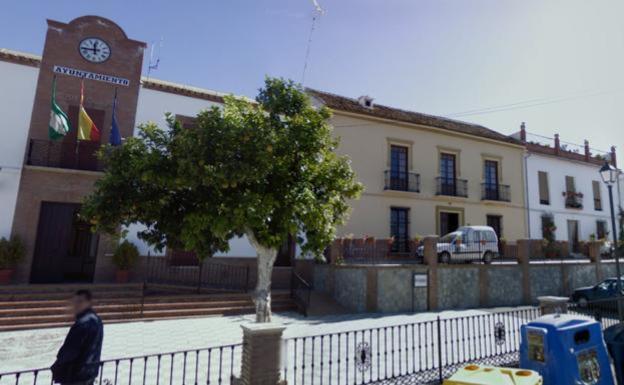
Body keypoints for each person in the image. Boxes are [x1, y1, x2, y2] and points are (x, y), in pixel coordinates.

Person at [51, 290, 104, 385]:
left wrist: (58, 365)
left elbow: (69, 351)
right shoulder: (96, 320)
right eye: (75, 302)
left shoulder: (83, 323)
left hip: (76, 375)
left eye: (80, 301)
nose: (76, 305)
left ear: (89, 303)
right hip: (90, 372)